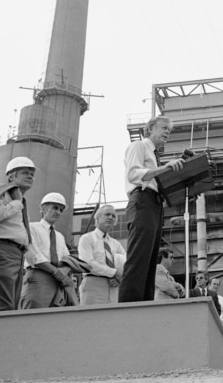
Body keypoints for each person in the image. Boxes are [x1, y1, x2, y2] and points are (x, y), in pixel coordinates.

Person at [120, 115, 185, 303]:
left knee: (149, 262)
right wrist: (165, 169)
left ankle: (144, 305)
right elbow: (133, 174)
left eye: (169, 130)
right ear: (150, 128)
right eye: (164, 127)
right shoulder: (138, 147)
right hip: (142, 200)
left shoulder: (155, 157)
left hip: (154, 204)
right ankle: (128, 307)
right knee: (139, 257)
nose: (167, 132)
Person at [0, 157, 36, 311]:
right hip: (0, 251)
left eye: (32, 173)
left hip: (15, 254)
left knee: (9, 306)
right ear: (11, 176)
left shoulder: (20, 200)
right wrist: (16, 203)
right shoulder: (0, 191)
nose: (30, 176)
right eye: (25, 172)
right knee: (1, 305)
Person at [20, 192, 73, 308]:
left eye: (61, 210)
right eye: (55, 207)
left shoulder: (60, 236)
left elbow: (68, 259)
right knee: (34, 318)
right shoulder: (31, 228)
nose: (58, 212)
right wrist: (56, 272)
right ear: (42, 209)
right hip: (39, 277)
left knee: (54, 321)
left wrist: (63, 273)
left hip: (58, 281)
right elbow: (34, 255)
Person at [78, 205, 126, 305]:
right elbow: (88, 264)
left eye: (113, 216)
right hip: (93, 284)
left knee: (112, 318)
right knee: (92, 319)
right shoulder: (87, 238)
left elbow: (126, 263)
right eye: (107, 214)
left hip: (114, 287)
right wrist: (113, 273)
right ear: (98, 217)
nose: (111, 217)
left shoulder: (116, 244)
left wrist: (119, 278)